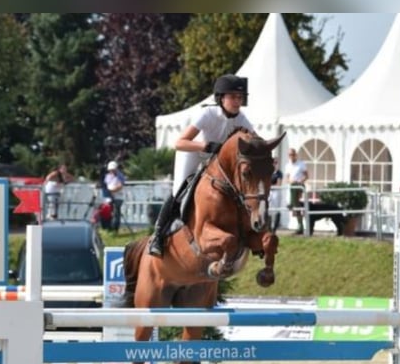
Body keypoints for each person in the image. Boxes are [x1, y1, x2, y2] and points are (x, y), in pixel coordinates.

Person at [148, 74, 253, 257]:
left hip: (215, 162)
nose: (237, 102)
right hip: (192, 153)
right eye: (233, 97)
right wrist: (205, 146)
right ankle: (157, 236)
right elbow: (179, 142)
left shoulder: (241, 119)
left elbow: (255, 142)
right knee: (178, 191)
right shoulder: (207, 114)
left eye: (240, 97)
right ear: (221, 98)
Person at [285, 148, 308, 235]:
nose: (291, 156)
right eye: (290, 155)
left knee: (295, 205)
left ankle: (301, 226)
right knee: (295, 206)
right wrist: (290, 181)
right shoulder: (288, 165)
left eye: (293, 154)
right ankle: (300, 226)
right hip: (291, 186)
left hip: (299, 186)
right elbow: (287, 178)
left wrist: (300, 181)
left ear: (296, 155)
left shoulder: (301, 164)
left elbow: (306, 176)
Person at [104, 160, 126, 232]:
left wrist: (112, 191)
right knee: (109, 212)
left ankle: (115, 228)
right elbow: (106, 185)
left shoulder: (120, 176)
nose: (112, 171)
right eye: (111, 170)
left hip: (118, 197)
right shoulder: (108, 176)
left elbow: (120, 186)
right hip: (109, 198)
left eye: (113, 170)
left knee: (116, 213)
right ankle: (109, 227)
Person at [268, 156, 283, 232]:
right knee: (269, 209)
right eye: (273, 162)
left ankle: (275, 228)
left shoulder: (279, 173)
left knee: (276, 210)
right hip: (269, 192)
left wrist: (270, 186)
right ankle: (269, 227)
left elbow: (278, 184)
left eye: (276, 163)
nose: (274, 164)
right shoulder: (268, 172)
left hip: (276, 192)